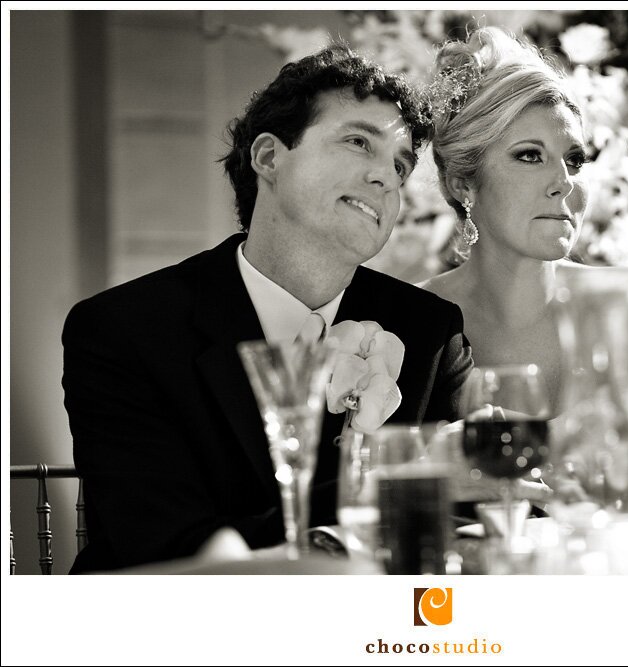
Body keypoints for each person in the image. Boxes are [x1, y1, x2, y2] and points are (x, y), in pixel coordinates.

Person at [62, 45, 473, 573]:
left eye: (400, 165)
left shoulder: (429, 331)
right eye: (357, 143)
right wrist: (368, 505)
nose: (387, 179)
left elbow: (464, 513)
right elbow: (169, 543)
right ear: (268, 158)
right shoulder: (124, 330)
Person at [421, 28, 628, 524]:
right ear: (464, 181)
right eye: (530, 155)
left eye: (574, 159)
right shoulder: (413, 324)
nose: (564, 182)